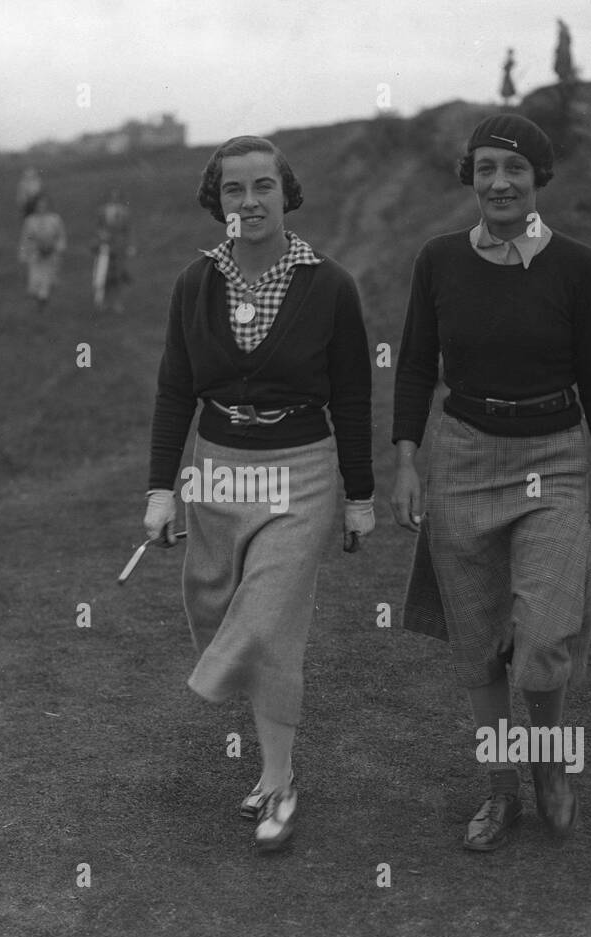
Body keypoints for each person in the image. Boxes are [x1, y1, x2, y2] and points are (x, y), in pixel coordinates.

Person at [390, 114, 591, 852]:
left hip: (554, 460)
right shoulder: (438, 261)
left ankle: (551, 768)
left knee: (543, 639)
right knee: (478, 648)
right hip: (462, 459)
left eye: (516, 169)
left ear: (538, 180)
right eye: (487, 167)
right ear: (470, 175)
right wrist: (407, 459)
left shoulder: (578, 268)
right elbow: (413, 365)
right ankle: (501, 792)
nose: (500, 182)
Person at [145, 135, 374, 852]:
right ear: (217, 200)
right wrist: (161, 490)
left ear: (286, 194)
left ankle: (278, 780)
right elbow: (176, 388)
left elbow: (355, 396)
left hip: (301, 467)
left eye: (263, 186)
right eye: (234, 189)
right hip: (216, 467)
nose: (249, 201)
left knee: (270, 621)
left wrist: (359, 495)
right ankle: (271, 754)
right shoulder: (195, 283)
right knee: (215, 603)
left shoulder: (330, 284)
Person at [18, 193, 66, 311]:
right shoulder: (30, 221)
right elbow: (26, 238)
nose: (42, 207)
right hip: (36, 253)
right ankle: (37, 295)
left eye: (44, 204)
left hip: (51, 252)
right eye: (39, 205)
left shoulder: (55, 219)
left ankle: (43, 299)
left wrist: (58, 247)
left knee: (47, 277)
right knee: (35, 278)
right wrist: (24, 253)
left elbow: (61, 235)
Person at [92, 188, 134, 312]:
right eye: (112, 197)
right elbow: (97, 227)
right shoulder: (101, 211)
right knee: (105, 274)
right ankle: (104, 301)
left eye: (117, 197)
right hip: (105, 247)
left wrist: (130, 245)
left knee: (118, 274)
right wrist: (101, 235)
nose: (114, 199)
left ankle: (117, 302)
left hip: (119, 247)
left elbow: (129, 230)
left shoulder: (125, 212)